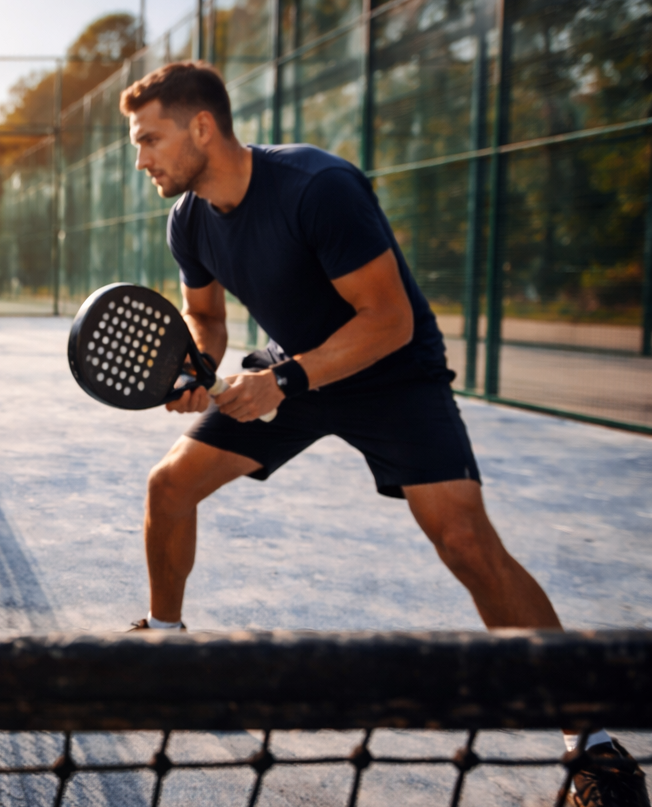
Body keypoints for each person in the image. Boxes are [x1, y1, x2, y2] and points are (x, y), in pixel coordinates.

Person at [121, 61, 647, 807]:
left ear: (201, 126)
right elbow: (205, 318)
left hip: (390, 372)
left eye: (149, 139)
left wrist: (281, 381)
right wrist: (196, 369)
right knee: (168, 486)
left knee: (464, 540)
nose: (141, 158)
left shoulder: (317, 187)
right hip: (293, 369)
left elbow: (389, 321)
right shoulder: (188, 221)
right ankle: (167, 645)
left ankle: (589, 737)